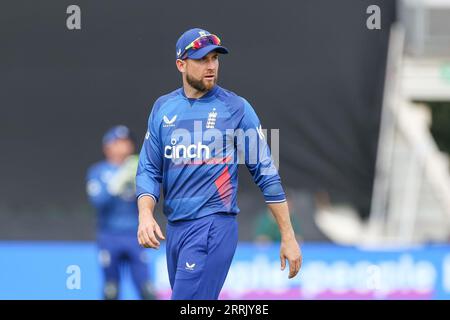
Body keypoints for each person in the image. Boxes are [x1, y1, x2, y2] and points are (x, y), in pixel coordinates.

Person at [136, 28, 302, 300]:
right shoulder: (163, 108)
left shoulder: (235, 108)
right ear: (181, 64)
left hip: (213, 225)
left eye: (214, 58)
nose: (211, 66)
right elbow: (149, 169)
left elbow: (266, 173)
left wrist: (288, 235)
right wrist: (145, 214)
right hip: (175, 228)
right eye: (202, 59)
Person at [86, 125, 156, 300]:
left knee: (146, 288)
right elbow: (97, 201)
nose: (125, 146)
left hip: (135, 235)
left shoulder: (139, 169)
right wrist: (116, 183)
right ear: (107, 146)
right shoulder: (98, 172)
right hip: (109, 235)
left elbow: (153, 198)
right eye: (119, 142)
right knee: (111, 289)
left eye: (127, 142)